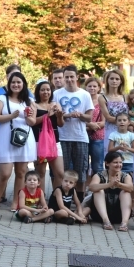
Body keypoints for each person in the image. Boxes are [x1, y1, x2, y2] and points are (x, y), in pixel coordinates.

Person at [0, 72, 36, 211]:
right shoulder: (2, 98)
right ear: (9, 84)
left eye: (19, 82)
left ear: (23, 84)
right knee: (5, 173)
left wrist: (29, 117)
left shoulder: (29, 100)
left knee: (21, 172)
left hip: (24, 139)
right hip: (6, 138)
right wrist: (11, 116)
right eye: (13, 82)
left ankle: (16, 203)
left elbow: (32, 122)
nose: (16, 85)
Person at [53, 65, 93, 198]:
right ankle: (60, 198)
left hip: (80, 137)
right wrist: (67, 115)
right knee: (61, 172)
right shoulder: (57, 94)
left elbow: (89, 117)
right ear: (63, 78)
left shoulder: (85, 94)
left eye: (72, 76)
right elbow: (53, 115)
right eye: (67, 77)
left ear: (77, 77)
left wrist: (80, 115)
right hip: (62, 137)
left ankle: (79, 200)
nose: (69, 79)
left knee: (80, 171)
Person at [86, 151, 134, 231]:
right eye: (115, 162)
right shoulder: (99, 175)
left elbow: (131, 188)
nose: (119, 165)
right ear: (107, 163)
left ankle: (124, 223)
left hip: (118, 215)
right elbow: (91, 187)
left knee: (125, 192)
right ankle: (106, 221)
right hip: (99, 216)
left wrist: (119, 185)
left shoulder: (126, 176)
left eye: (120, 162)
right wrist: (109, 184)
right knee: (99, 191)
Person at [31, 80, 64, 193]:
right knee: (41, 172)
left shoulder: (55, 104)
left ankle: (55, 198)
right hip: (39, 141)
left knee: (60, 173)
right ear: (38, 92)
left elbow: (60, 124)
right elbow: (33, 122)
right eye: (43, 90)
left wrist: (59, 116)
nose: (46, 92)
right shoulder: (34, 104)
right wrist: (47, 115)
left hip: (54, 141)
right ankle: (41, 199)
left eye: (48, 90)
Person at [98, 69, 128, 150]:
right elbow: (108, 117)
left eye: (117, 79)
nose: (114, 81)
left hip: (126, 131)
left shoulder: (125, 97)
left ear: (121, 81)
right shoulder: (102, 97)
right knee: (112, 157)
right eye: (111, 78)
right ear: (107, 80)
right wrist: (129, 122)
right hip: (111, 131)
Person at [85, 77, 106, 176]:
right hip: (83, 136)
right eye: (89, 86)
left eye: (94, 86)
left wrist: (93, 126)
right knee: (84, 166)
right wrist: (90, 125)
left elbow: (104, 122)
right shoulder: (83, 100)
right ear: (86, 87)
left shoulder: (102, 101)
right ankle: (85, 189)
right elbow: (79, 119)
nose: (92, 88)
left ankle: (98, 189)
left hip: (98, 137)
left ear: (99, 88)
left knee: (97, 166)